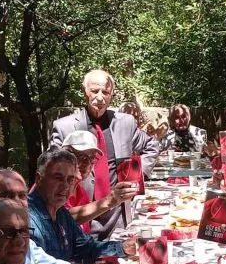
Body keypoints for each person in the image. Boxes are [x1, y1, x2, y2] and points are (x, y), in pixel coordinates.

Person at [50, 69, 158, 238]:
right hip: (82, 213)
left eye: (105, 92)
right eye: (94, 91)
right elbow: (53, 169)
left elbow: (151, 146)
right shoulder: (64, 127)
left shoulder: (125, 123)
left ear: (111, 94)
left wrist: (137, 175)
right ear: (85, 91)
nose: (100, 97)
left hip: (118, 214)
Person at [28, 148, 133, 264]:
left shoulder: (61, 212)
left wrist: (123, 247)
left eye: (70, 180)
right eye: (58, 178)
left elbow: (85, 247)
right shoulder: (27, 219)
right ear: (39, 178)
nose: (65, 186)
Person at [60, 130, 138, 235]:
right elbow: (62, 217)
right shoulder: (56, 185)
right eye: (80, 157)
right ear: (63, 156)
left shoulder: (79, 189)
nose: (87, 163)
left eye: (92, 158)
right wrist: (110, 201)